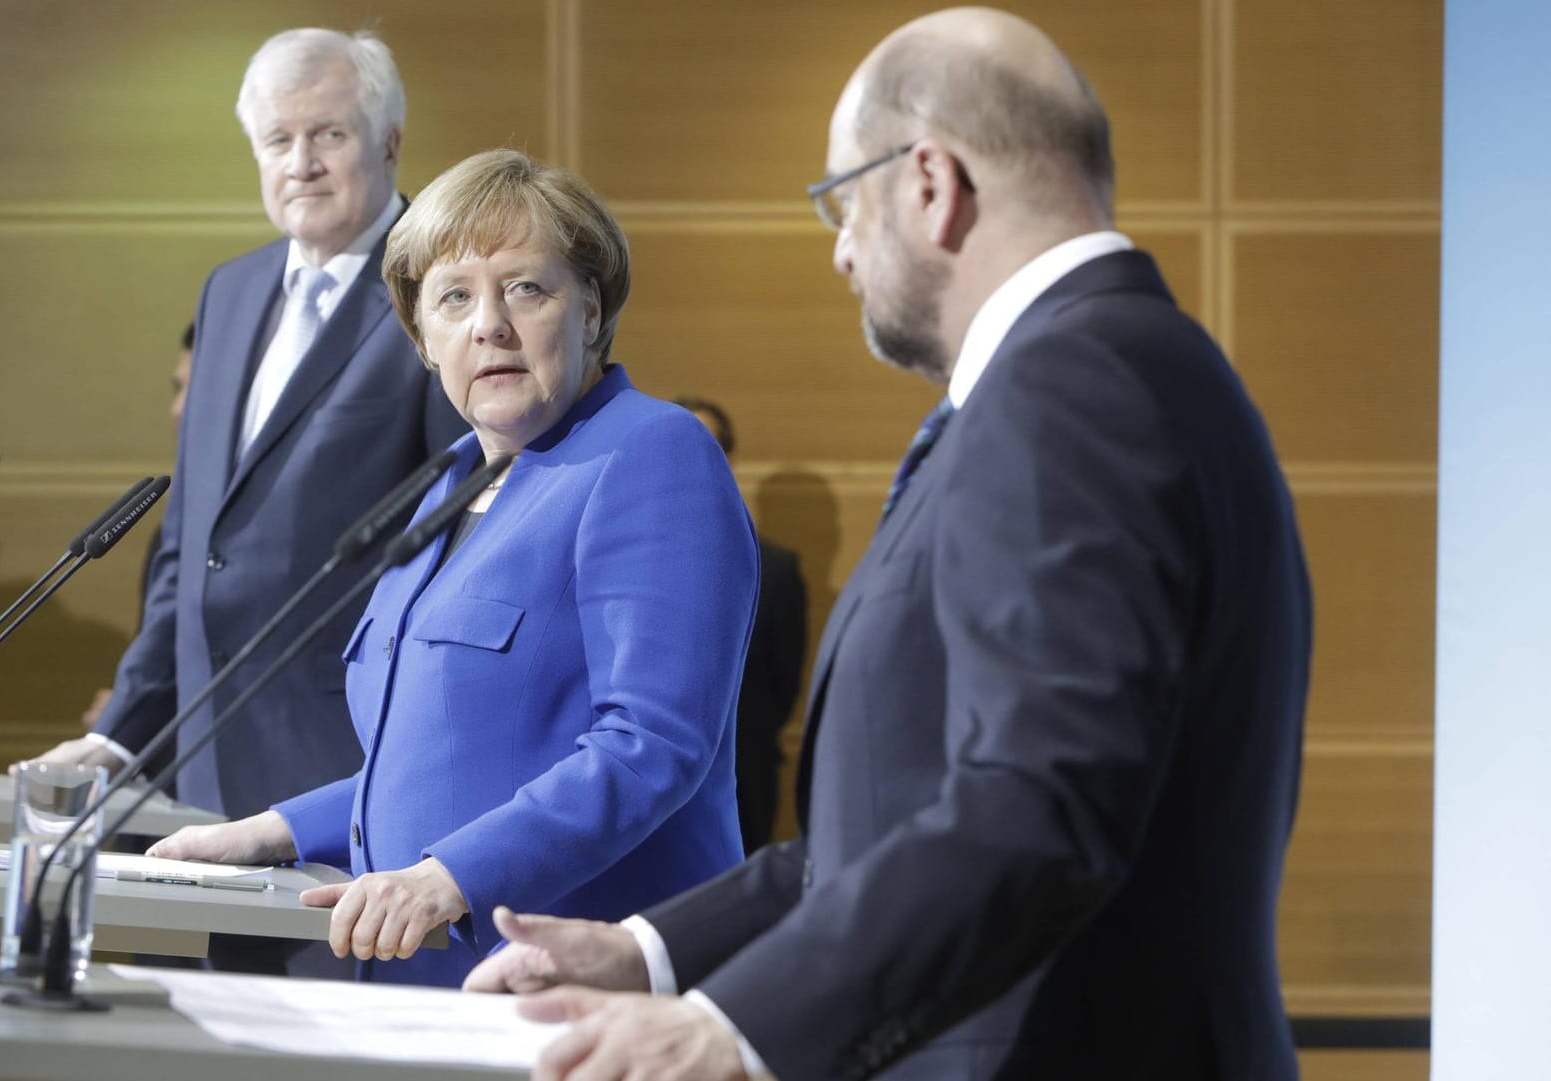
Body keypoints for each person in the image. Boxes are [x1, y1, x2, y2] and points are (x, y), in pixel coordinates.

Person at [465, 9, 1312, 1080]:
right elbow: (898, 823)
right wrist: (646, 951)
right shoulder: (1129, 365)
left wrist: (735, 1029)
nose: (840, 248)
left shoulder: (1072, 386)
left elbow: (1039, 803)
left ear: (930, 183)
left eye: (841, 200)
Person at [148, 148, 759, 988]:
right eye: (454, 298)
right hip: (417, 980)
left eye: (526, 288)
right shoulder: (450, 482)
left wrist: (448, 878)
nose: (490, 325)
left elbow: (650, 744)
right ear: (423, 341)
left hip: (565, 981)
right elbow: (441, 758)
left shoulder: (652, 453)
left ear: (590, 310)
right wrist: (272, 830)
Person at [29, 28, 466, 976]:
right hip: (207, 773)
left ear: (390, 142)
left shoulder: (440, 293)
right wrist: (121, 733)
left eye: (330, 136)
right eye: (278, 141)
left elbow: (464, 544)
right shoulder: (230, 292)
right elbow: (192, 549)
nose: (301, 164)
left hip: (352, 772)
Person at [673, 396, 805, 853]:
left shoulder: (778, 568)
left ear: (729, 459)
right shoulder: (615, 556)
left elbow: (782, 687)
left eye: (708, 449)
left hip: (743, 786)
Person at [80, 322, 196, 734]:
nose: (177, 409)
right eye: (176, 388)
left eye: (195, 388)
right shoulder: (174, 533)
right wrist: (128, 710)